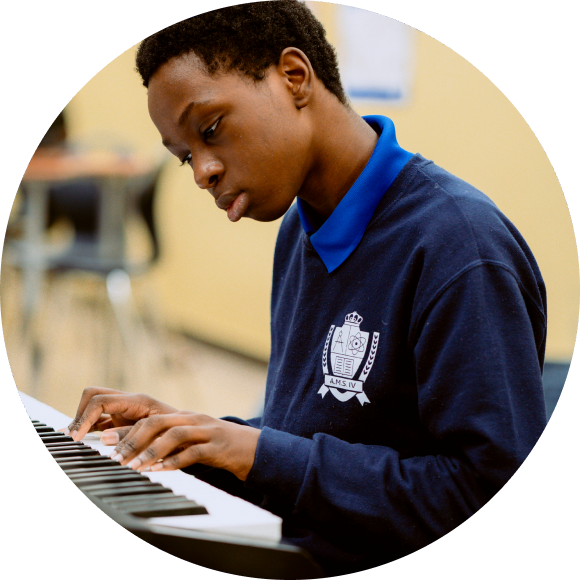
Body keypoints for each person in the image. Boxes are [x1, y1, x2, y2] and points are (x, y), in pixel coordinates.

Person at [63, 1, 547, 574]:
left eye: (211, 128)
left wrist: (261, 453)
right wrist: (194, 439)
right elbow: (311, 437)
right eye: (185, 156)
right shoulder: (301, 227)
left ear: (294, 77)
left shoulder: (459, 247)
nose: (202, 172)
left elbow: (485, 501)